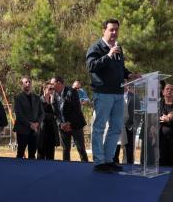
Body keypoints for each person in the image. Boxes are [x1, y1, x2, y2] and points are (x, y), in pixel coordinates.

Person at [86, 19, 140, 172]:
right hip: (103, 93)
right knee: (99, 128)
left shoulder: (118, 48)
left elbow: (120, 69)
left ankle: (109, 159)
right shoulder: (96, 47)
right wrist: (108, 55)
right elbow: (91, 66)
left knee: (116, 128)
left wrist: (130, 75)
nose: (114, 32)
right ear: (104, 30)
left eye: (116, 29)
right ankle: (99, 161)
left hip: (118, 93)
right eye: (111, 29)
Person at [53, 76, 89, 162]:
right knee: (65, 149)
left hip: (75, 124)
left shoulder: (71, 91)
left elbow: (77, 109)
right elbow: (55, 113)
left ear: (58, 83)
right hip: (63, 127)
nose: (51, 85)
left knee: (81, 148)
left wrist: (69, 123)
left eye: (52, 83)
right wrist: (60, 124)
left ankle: (86, 166)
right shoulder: (54, 95)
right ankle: (66, 168)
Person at [13, 76, 42, 159]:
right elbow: (19, 114)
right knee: (20, 153)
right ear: (22, 84)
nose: (28, 84)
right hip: (22, 130)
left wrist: (37, 123)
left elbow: (42, 113)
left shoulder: (37, 98)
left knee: (32, 154)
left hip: (35, 130)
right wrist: (30, 124)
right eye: (26, 82)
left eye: (29, 82)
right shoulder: (18, 98)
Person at [114, 84, 141, 165]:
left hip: (129, 127)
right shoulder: (114, 96)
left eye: (124, 83)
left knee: (129, 151)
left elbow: (138, 114)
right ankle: (115, 164)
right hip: (117, 126)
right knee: (115, 149)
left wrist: (134, 126)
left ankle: (129, 167)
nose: (122, 85)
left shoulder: (135, 97)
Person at [38, 82, 60, 160]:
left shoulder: (54, 101)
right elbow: (41, 115)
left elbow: (57, 114)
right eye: (50, 89)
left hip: (52, 131)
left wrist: (52, 103)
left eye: (53, 89)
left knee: (51, 157)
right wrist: (51, 116)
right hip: (42, 131)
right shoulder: (39, 100)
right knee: (41, 155)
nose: (52, 91)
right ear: (44, 89)